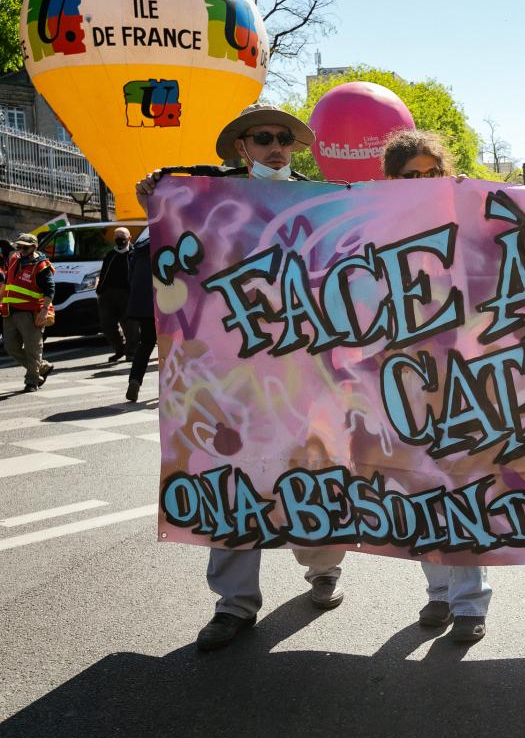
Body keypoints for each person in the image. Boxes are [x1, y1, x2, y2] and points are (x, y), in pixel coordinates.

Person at [135, 103, 347, 652]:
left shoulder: (322, 198)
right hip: (229, 374)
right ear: (242, 149)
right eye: (263, 138)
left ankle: (324, 570)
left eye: (285, 139)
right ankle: (234, 604)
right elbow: (171, 261)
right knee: (230, 481)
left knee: (313, 473)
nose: (277, 147)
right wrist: (154, 203)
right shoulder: (207, 203)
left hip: (306, 368)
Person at [381, 128, 492, 645]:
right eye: (412, 176)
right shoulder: (375, 224)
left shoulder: (469, 219)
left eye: (433, 173)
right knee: (420, 484)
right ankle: (438, 593)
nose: (424, 182)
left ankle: (470, 602)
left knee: (463, 482)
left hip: (464, 375)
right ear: (392, 181)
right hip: (402, 377)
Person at [2, 233, 56, 392]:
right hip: (9, 311)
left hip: (30, 313)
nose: (21, 250)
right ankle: (43, 367)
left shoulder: (42, 266)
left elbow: (50, 290)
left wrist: (44, 310)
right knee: (11, 347)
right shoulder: (14, 259)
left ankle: (32, 381)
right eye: (18, 246)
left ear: (34, 247)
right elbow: (7, 284)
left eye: (25, 247)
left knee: (33, 349)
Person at [96, 226, 136, 363]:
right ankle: (120, 349)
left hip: (128, 294)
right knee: (107, 325)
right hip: (107, 294)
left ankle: (131, 352)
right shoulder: (110, 255)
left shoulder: (134, 254)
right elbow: (103, 274)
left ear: (129, 238)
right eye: (117, 237)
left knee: (129, 325)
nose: (119, 240)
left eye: (122, 238)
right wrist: (99, 291)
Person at [124, 228, 154, 402]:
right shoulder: (168, 240)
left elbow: (130, 276)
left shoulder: (139, 246)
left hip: (142, 304)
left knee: (147, 343)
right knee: (175, 346)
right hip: (167, 303)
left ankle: (134, 380)